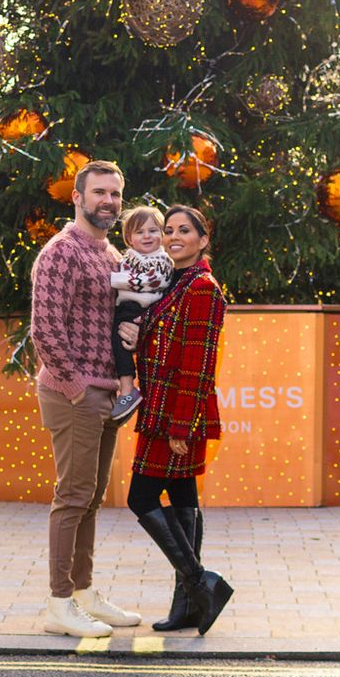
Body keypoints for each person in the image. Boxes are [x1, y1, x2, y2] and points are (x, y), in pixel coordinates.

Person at [27, 158, 140, 638]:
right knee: (72, 497)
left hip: (106, 394)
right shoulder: (61, 252)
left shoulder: (110, 253)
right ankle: (58, 603)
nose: (109, 202)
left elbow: (113, 321)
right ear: (77, 197)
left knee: (91, 499)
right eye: (99, 193)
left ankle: (84, 592)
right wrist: (76, 388)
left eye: (115, 194)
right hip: (75, 393)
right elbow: (44, 330)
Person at [121, 204, 234, 634]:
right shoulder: (175, 282)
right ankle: (187, 606)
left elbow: (199, 362)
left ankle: (201, 585)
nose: (173, 237)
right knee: (184, 498)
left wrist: (180, 426)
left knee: (141, 497)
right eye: (169, 230)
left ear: (203, 240)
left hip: (176, 412)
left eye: (184, 230)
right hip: (163, 409)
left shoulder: (202, 287)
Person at [106, 206, 173, 426]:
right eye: (139, 232)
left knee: (121, 343)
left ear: (162, 235)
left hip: (143, 309)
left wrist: (117, 279)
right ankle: (125, 387)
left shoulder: (163, 261)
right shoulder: (126, 259)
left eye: (153, 230)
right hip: (124, 307)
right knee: (116, 343)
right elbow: (133, 277)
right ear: (129, 239)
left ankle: (128, 389)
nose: (147, 236)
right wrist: (124, 277)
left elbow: (154, 281)